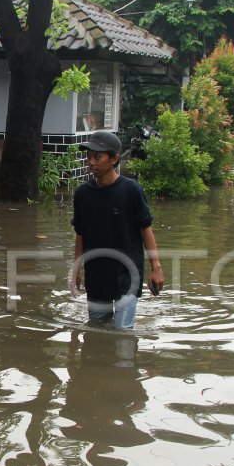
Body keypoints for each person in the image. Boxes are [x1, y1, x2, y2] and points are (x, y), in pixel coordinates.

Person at [71, 130, 164, 329]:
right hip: (96, 274)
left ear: (114, 159)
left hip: (127, 274)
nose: (91, 162)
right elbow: (80, 234)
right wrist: (76, 270)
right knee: (96, 327)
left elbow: (145, 230)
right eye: (89, 157)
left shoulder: (131, 191)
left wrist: (156, 267)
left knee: (122, 332)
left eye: (97, 157)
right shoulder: (82, 195)